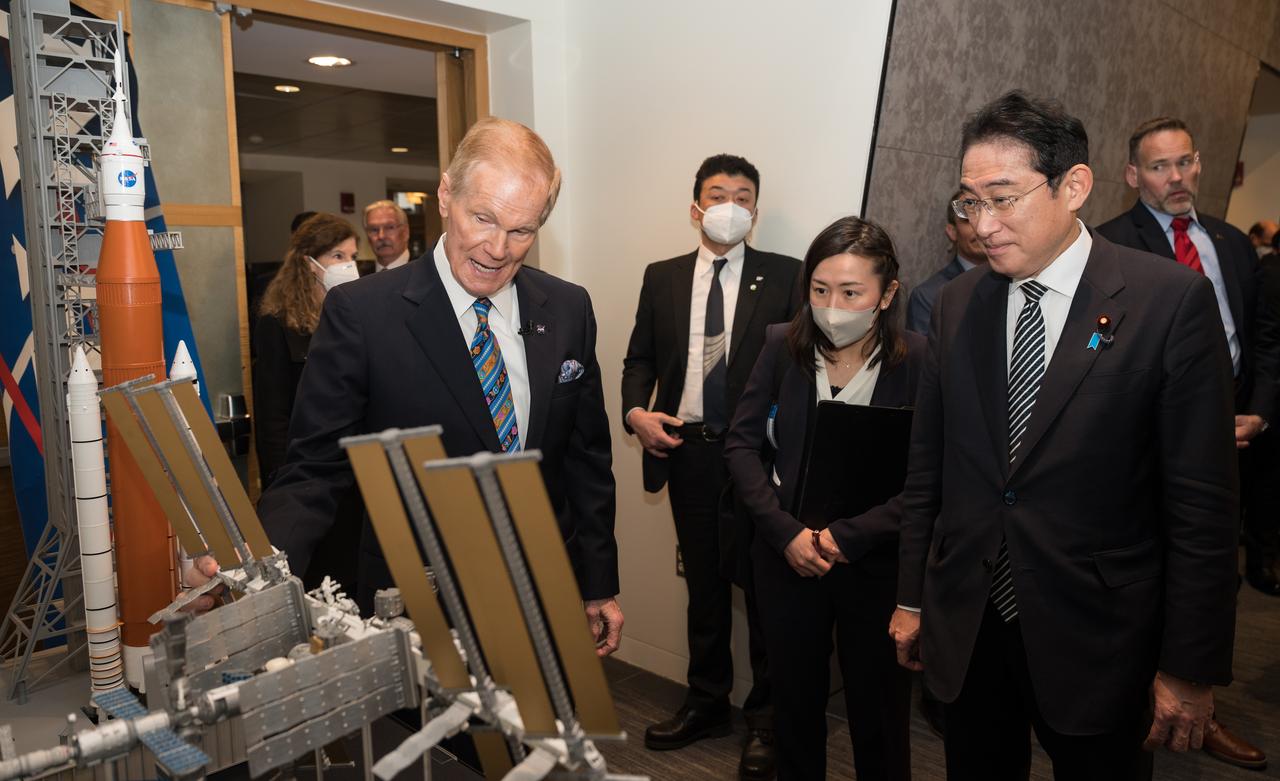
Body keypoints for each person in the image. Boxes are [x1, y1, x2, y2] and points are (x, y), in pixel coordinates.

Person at [889, 91, 1239, 781]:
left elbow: (1201, 505)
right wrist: (910, 596)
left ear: (1073, 186)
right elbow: (930, 466)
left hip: (1099, 630)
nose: (981, 224)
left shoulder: (1167, 302)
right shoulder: (959, 304)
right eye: (969, 201)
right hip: (972, 616)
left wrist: (1189, 664)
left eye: (1003, 198)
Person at [241, 117, 622, 652]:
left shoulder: (567, 307)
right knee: (443, 739)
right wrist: (260, 572)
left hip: (545, 588)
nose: (497, 248)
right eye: (483, 219)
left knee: (542, 732)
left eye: (522, 231)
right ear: (446, 195)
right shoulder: (363, 313)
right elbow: (313, 469)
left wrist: (598, 581)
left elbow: (585, 459)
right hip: (420, 602)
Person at [621, 154, 801, 778]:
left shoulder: (788, 275)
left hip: (756, 458)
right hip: (688, 451)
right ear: (695, 206)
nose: (730, 204)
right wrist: (635, 414)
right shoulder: (662, 275)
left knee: (762, 587)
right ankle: (706, 701)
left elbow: (802, 366)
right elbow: (638, 359)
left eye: (743, 195)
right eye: (717, 193)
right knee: (703, 583)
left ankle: (767, 717)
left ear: (754, 210)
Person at [724, 216, 921, 781]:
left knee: (878, 714)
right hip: (788, 559)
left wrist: (847, 536)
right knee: (794, 708)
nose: (832, 305)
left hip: (875, 565)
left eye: (851, 292)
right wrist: (785, 533)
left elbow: (930, 480)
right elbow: (741, 448)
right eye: (819, 289)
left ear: (887, 294)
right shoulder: (780, 346)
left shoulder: (922, 361)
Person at [251, 213, 362, 590]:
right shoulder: (278, 322)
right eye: (337, 256)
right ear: (308, 262)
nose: (348, 265)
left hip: (353, 475)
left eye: (351, 255)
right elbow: (272, 412)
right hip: (304, 471)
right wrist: (280, 479)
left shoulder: (354, 315)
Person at [906, 190, 987, 334]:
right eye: (967, 219)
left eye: (984, 218)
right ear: (952, 232)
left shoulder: (1016, 282)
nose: (980, 228)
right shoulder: (929, 296)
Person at [364, 200, 412, 272]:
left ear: (405, 232)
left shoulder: (426, 271)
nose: (381, 236)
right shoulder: (358, 277)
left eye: (389, 227)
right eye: (374, 229)